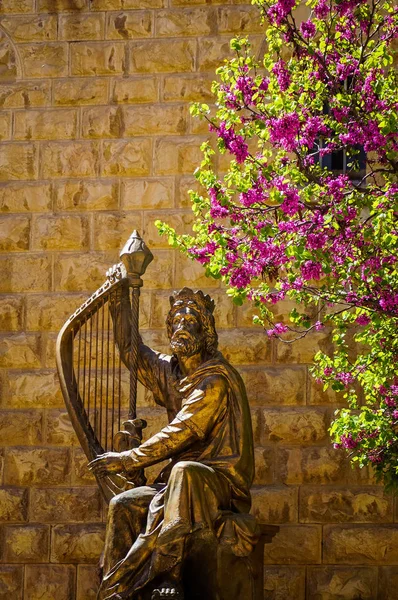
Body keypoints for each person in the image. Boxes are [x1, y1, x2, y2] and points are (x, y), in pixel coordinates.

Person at [88, 287, 256, 600]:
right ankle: (113, 589)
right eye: (177, 320)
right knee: (123, 504)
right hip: (175, 483)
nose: (182, 326)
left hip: (219, 480)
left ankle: (168, 574)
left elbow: (181, 431)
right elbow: (131, 353)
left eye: (191, 321)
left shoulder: (215, 380)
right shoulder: (170, 371)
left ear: (205, 332)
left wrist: (129, 459)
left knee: (184, 471)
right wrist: (120, 300)